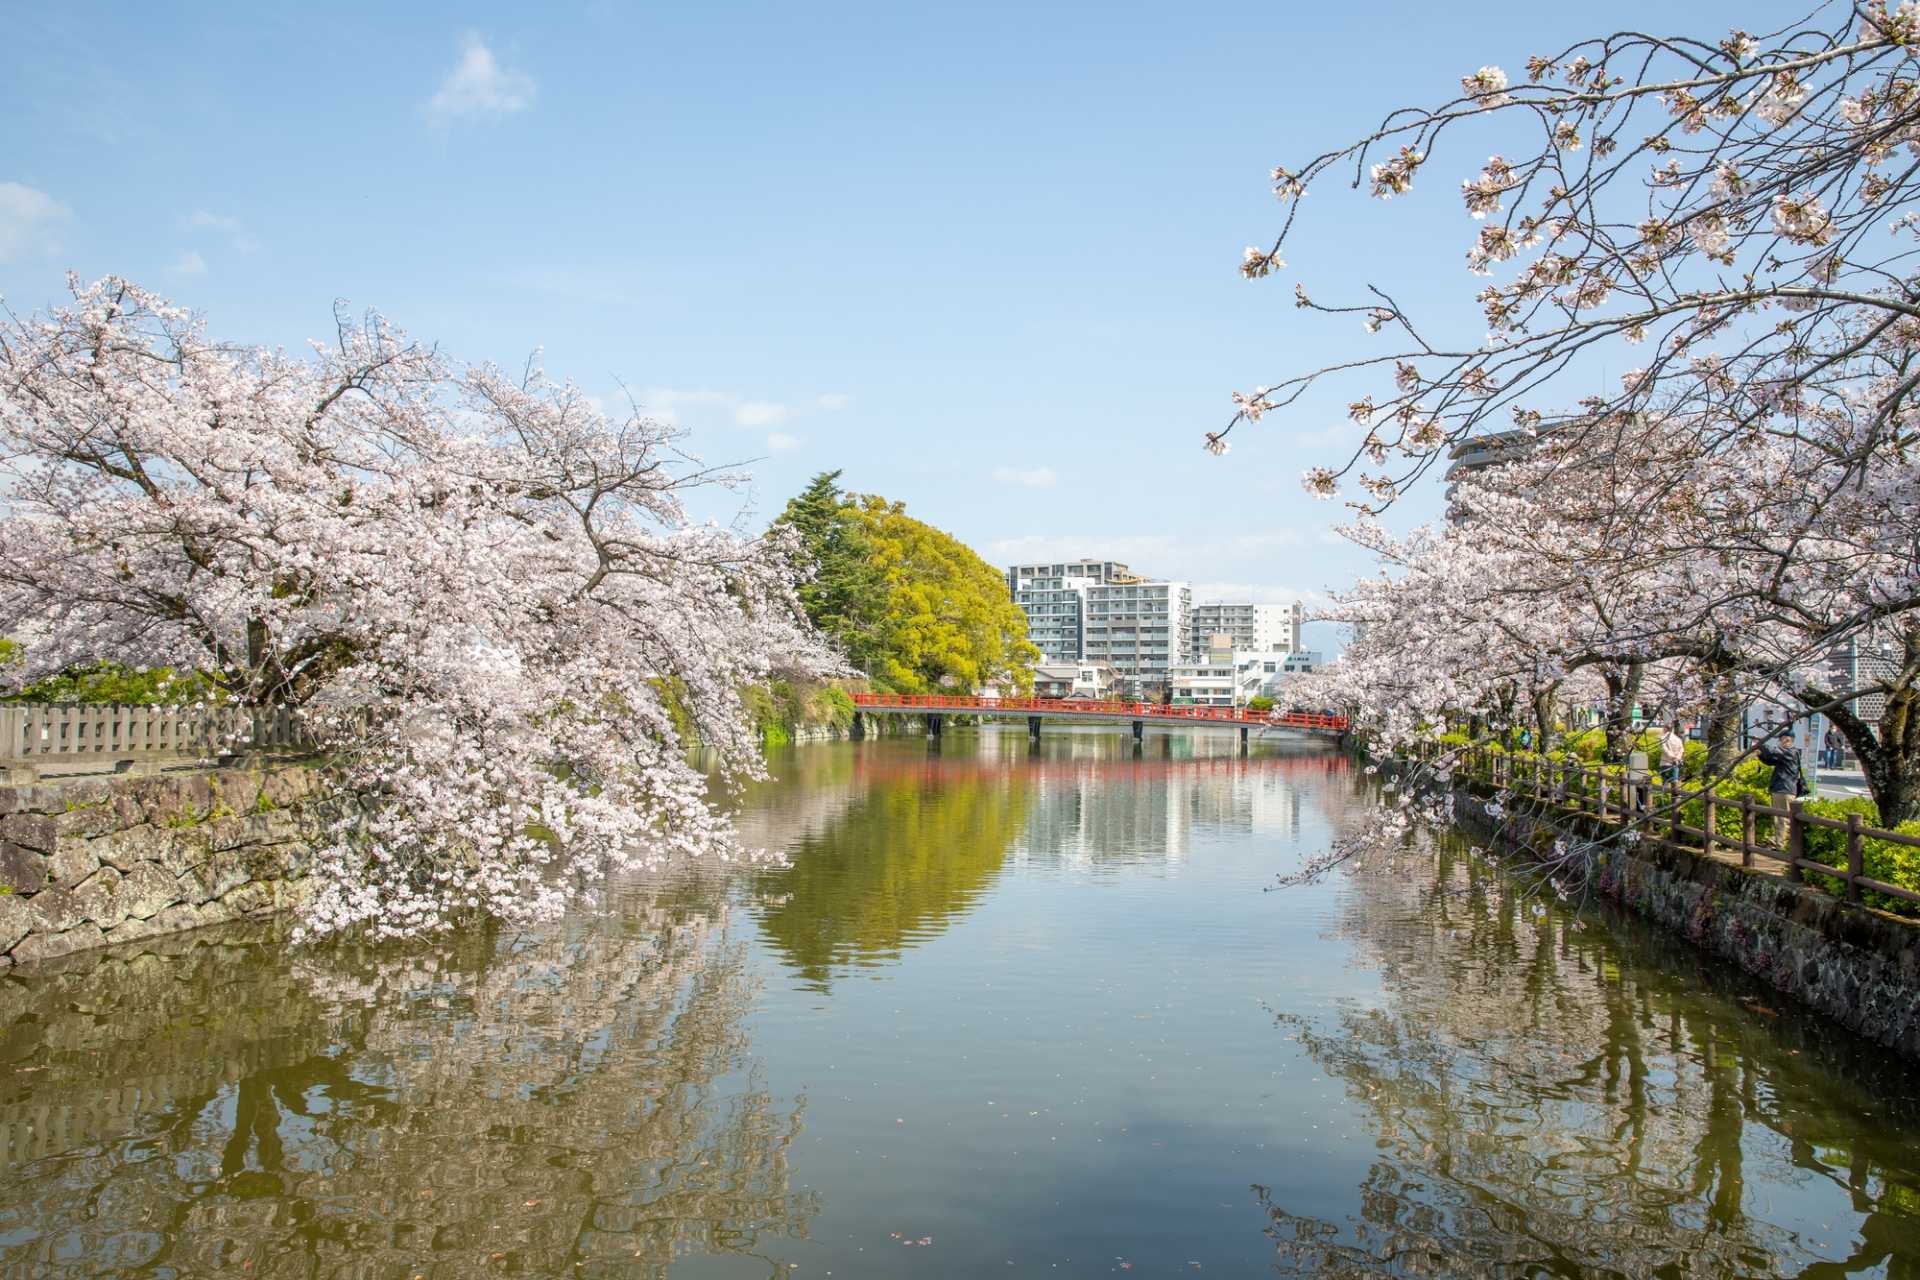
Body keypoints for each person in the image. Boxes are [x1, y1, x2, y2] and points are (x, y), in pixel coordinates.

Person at [1755, 728, 1808, 849]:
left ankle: (1782, 845)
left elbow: (1772, 751)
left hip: (1784, 788)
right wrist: (1761, 756)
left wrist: (1760, 743)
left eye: (1782, 740)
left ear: (1788, 740)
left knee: (1783, 819)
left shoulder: (1790, 752)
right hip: (1782, 789)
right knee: (1779, 818)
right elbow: (1771, 760)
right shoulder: (1787, 754)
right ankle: (1779, 841)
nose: (1780, 742)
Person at [1658, 723, 1686, 788]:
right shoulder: (1677, 739)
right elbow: (1681, 750)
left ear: (1665, 728)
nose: (1663, 729)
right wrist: (1677, 758)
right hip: (1675, 763)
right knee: (1675, 780)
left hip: (1665, 762)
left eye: (1663, 728)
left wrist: (1672, 756)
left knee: (1664, 781)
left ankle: (1665, 794)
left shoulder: (1663, 738)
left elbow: (1664, 749)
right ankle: (1675, 796)